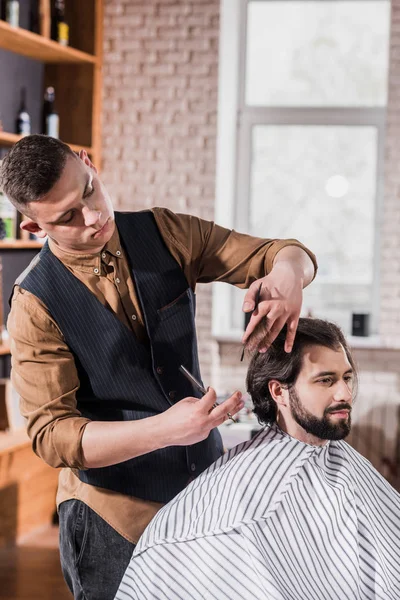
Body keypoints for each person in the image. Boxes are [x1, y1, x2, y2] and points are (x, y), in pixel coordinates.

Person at [0, 134, 316, 600]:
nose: (93, 216)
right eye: (66, 217)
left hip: (203, 499)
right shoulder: (33, 304)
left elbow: (282, 253)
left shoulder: (165, 232)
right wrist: (165, 430)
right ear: (32, 227)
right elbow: (53, 435)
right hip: (112, 521)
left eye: (88, 189)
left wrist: (288, 279)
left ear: (89, 163)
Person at [115, 318, 400, 600]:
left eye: (346, 378)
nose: (346, 394)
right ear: (279, 392)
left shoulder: (345, 461)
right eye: (326, 380)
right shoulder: (232, 517)